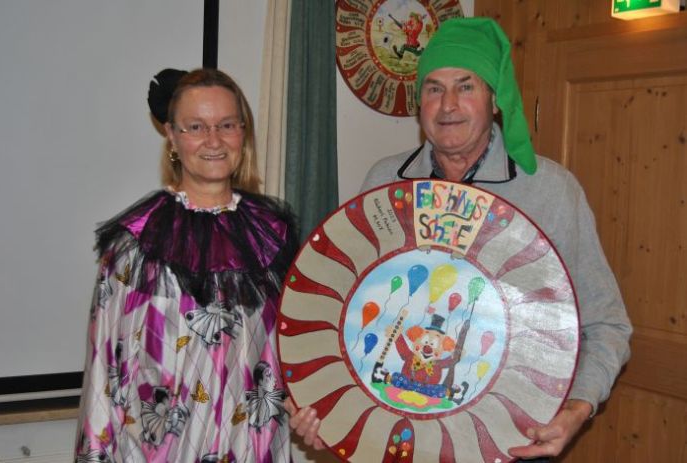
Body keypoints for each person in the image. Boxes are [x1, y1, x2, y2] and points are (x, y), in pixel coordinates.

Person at [290, 17, 633, 461]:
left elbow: (607, 326)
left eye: (466, 86)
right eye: (434, 88)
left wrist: (577, 408)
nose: (448, 104)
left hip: (509, 443)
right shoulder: (385, 182)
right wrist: (328, 407)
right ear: (420, 103)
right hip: (403, 441)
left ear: (494, 99)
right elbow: (345, 307)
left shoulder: (550, 191)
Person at [75, 68, 300, 462]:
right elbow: (102, 373)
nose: (214, 140)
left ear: (242, 132)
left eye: (226, 124)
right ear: (172, 135)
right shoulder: (133, 246)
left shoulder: (274, 238)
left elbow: (294, 352)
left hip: (252, 450)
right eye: (196, 126)